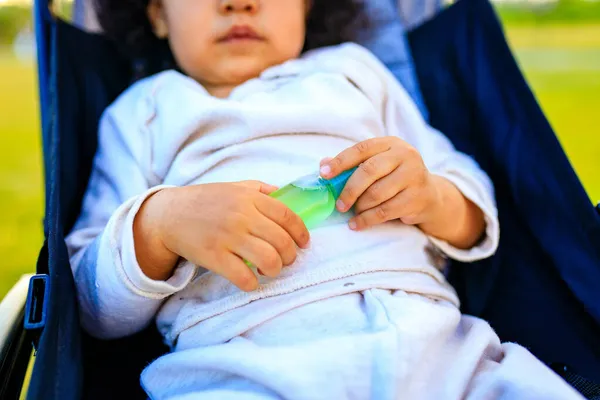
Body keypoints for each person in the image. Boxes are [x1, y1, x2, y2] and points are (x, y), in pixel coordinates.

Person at [65, 0, 584, 398]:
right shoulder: (142, 113)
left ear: (306, 6)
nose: (239, 3)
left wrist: (432, 197)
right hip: (244, 360)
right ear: (158, 14)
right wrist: (161, 224)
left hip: (431, 340)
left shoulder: (353, 72)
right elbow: (91, 302)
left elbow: (468, 197)